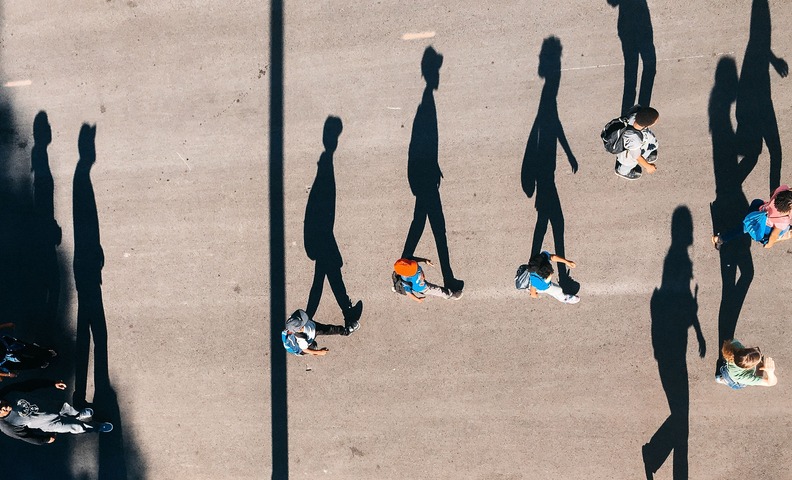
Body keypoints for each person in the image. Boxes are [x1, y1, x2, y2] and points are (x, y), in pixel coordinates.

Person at [0, 379, 112, 445]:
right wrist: (45, 439)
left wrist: (52, 383)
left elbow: (29, 384)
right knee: (76, 427)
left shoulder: (8, 392)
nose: (3, 407)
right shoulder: (7, 426)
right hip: (50, 424)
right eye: (0, 410)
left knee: (71, 410)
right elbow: (26, 436)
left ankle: (79, 414)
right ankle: (96, 427)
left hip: (53, 406)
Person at [712, 184, 792, 249]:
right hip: (763, 225)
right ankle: (721, 239)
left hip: (759, 210)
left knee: (744, 226)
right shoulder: (783, 220)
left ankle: (720, 239)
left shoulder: (782, 190)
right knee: (746, 229)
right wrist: (770, 244)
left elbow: (772, 193)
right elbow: (774, 234)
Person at [281, 309, 358, 357]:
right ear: (300, 328)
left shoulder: (292, 323)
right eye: (303, 322)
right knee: (328, 331)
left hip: (313, 327)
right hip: (310, 336)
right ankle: (346, 331)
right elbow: (304, 349)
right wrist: (319, 352)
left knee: (329, 328)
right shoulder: (301, 340)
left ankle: (344, 331)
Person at [615, 106, 660, 180]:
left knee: (649, 146)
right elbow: (636, 156)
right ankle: (622, 171)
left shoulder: (634, 116)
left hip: (642, 143)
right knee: (628, 164)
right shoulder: (634, 140)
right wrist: (648, 167)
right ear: (649, 125)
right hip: (630, 156)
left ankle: (647, 154)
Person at [393, 258, 462, 303]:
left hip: (421, 281)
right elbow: (408, 293)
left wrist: (424, 260)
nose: (416, 267)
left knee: (435, 288)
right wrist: (418, 300)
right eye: (413, 270)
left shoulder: (409, 264)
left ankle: (396, 288)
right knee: (437, 290)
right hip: (422, 288)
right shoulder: (406, 279)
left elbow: (414, 260)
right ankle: (451, 295)